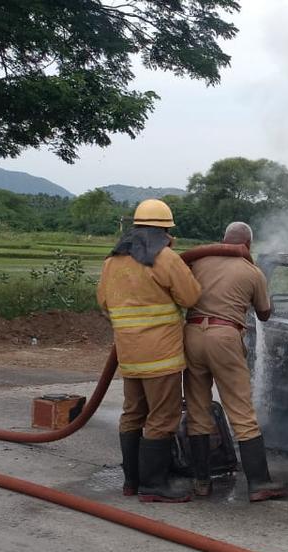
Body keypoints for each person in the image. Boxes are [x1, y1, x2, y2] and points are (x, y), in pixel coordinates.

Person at [96, 198, 201, 503]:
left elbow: (104, 303)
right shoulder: (166, 259)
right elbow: (191, 296)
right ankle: (154, 485)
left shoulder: (111, 261)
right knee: (162, 417)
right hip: (162, 357)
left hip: (129, 355)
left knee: (133, 414)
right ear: (166, 231)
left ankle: (131, 481)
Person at [183, 221, 287, 502]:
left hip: (191, 334)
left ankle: (202, 482)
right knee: (240, 410)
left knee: (197, 409)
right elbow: (264, 314)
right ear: (248, 245)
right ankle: (259, 483)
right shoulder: (251, 271)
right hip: (225, 337)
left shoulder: (197, 262)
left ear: (222, 240)